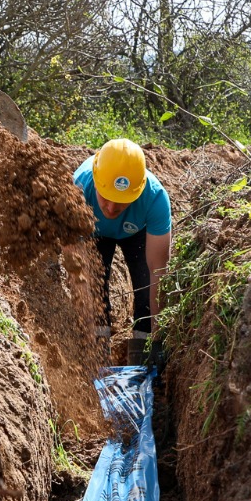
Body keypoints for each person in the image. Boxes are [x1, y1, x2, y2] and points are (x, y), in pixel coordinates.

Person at [71, 139, 173, 367]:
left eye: (121, 203)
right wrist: (88, 332)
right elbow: (76, 270)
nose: (111, 209)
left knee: (145, 287)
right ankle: (98, 353)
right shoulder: (78, 190)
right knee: (94, 283)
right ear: (96, 183)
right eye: (106, 199)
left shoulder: (155, 199)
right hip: (93, 230)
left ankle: (143, 355)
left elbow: (158, 271)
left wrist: (157, 337)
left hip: (136, 231)